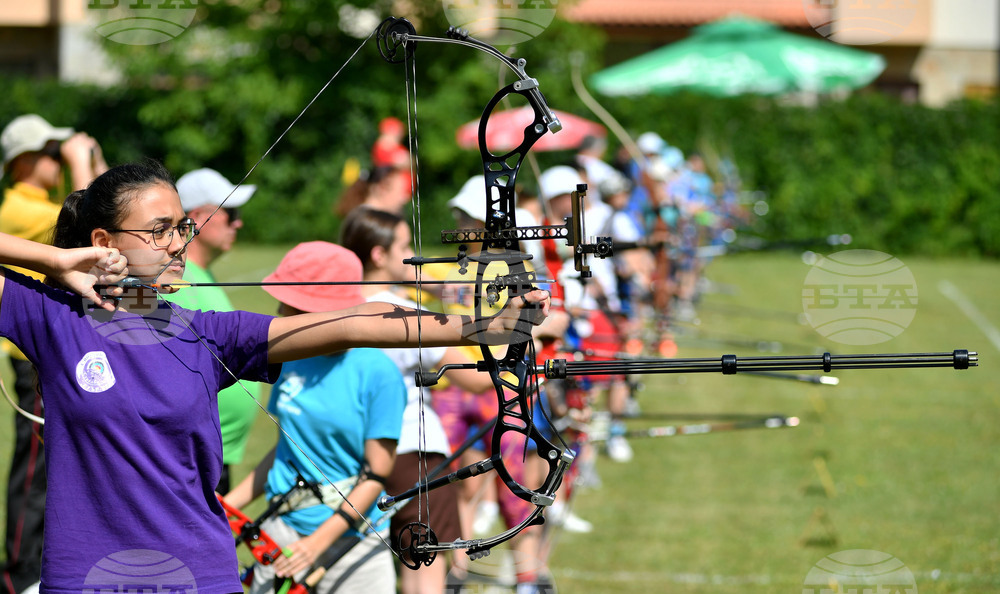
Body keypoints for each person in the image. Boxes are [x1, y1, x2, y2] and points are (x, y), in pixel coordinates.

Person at [0, 160, 549, 593]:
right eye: (158, 230)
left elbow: (355, 322)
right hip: (86, 576)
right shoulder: (52, 318)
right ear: (104, 241)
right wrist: (53, 260)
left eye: (182, 226)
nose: (179, 242)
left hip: (200, 574)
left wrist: (484, 325)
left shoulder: (208, 332)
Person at [225, 241, 407, 594]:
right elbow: (285, 448)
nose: (278, 310)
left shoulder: (377, 373)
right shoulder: (290, 357)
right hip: (281, 531)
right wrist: (225, 509)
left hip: (352, 543)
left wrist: (316, 545)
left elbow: (375, 475)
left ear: (323, 310)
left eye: (289, 304)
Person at [340, 207, 496, 594]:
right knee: (423, 572)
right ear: (379, 255)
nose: (412, 255)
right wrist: (526, 344)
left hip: (343, 453)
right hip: (413, 454)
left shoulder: (328, 308)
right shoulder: (406, 314)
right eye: (404, 247)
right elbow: (472, 379)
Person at [0, 113, 107, 594]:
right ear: (23, 160)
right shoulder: (20, 208)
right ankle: (20, 570)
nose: (57, 161)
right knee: (35, 471)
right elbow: (90, 225)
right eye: (50, 153)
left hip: (58, 345)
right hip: (35, 354)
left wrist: (98, 165)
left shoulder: (39, 202)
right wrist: (82, 162)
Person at [160, 167, 260, 493]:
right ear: (198, 217)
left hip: (210, 455)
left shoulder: (201, 275)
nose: (239, 223)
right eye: (231, 214)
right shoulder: (175, 279)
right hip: (189, 459)